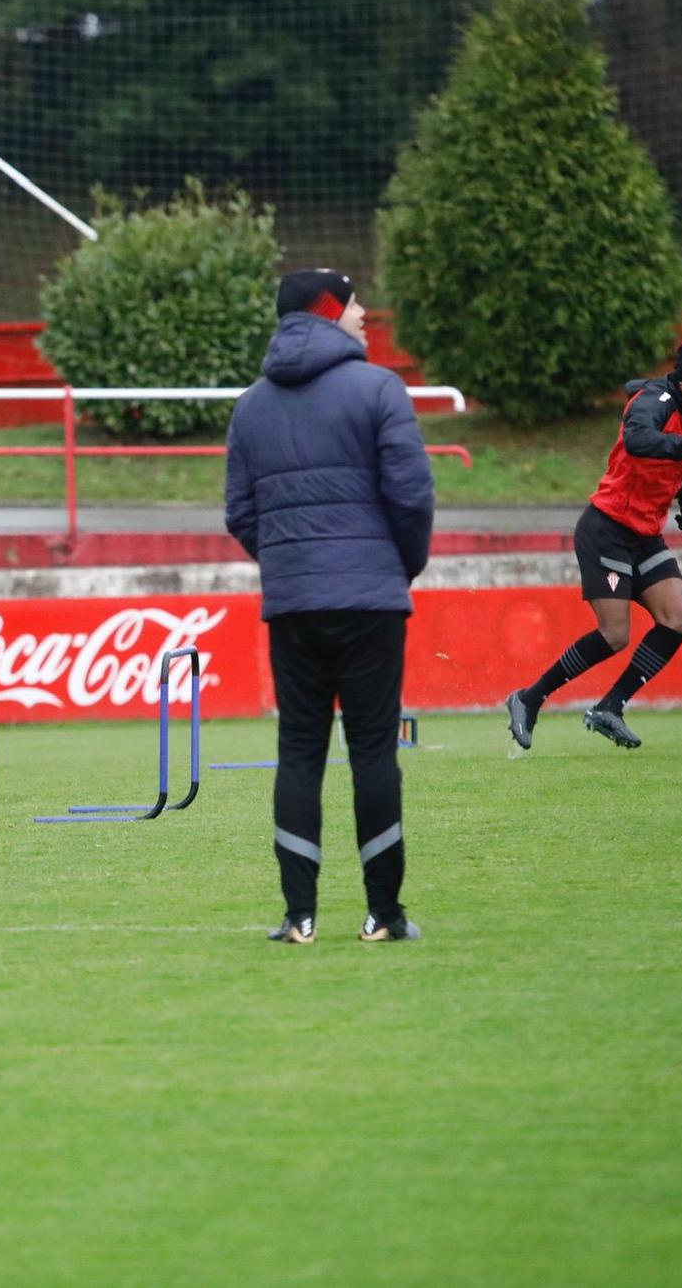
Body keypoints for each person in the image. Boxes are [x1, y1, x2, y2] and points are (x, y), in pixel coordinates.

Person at [226, 269, 435, 945]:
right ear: (326, 313)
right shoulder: (379, 389)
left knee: (299, 751)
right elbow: (412, 497)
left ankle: (299, 916)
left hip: (293, 603)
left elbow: (241, 513)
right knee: (374, 751)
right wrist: (396, 566)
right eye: (353, 303)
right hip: (372, 599)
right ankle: (384, 913)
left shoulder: (251, 404)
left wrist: (289, 561)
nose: (365, 311)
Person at [505, 340, 682, 751]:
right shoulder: (653, 402)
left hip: (644, 533)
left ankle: (610, 707)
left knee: (678, 619)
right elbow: (639, 442)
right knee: (614, 635)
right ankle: (529, 698)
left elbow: (668, 465)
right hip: (606, 529)